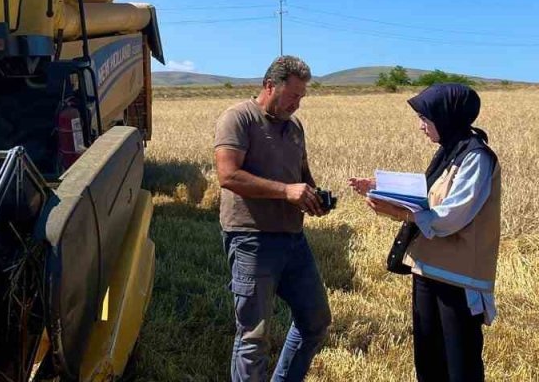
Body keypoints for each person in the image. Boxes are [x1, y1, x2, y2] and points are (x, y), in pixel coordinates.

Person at [350, 83, 502, 382]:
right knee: (429, 361)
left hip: (458, 279)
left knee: (459, 366)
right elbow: (426, 197)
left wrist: (400, 212)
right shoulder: (450, 152)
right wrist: (381, 189)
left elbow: (449, 216)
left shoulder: (476, 158)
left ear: (447, 116)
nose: (421, 126)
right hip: (427, 269)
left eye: (425, 118)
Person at [214, 55, 332, 382]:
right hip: (251, 239)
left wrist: (313, 198)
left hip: (293, 239)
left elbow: (302, 179)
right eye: (293, 95)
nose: (297, 104)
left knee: (315, 321)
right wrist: (285, 191)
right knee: (253, 336)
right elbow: (228, 176)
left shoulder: (294, 126)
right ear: (270, 86)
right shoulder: (238, 118)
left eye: (301, 97)